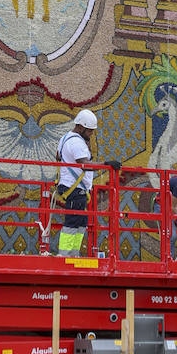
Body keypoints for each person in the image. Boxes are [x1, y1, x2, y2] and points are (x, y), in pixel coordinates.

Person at [53, 109, 98, 255]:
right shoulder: (76, 143)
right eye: (90, 131)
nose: (91, 134)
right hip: (75, 188)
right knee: (72, 222)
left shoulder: (65, 138)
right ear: (81, 127)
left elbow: (58, 156)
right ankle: (64, 254)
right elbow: (85, 164)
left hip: (73, 187)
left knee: (81, 222)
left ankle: (74, 253)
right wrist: (107, 164)